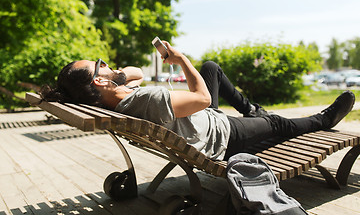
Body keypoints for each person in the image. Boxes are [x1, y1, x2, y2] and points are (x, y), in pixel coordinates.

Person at [40, 41, 355, 161]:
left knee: (212, 69)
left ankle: (250, 109)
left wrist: (116, 75)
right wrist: (181, 60)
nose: (105, 62)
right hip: (219, 135)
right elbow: (203, 99)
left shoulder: (116, 99)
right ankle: (322, 120)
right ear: (98, 80)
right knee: (274, 122)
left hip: (198, 122)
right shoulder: (148, 99)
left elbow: (133, 73)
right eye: (100, 64)